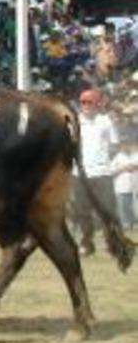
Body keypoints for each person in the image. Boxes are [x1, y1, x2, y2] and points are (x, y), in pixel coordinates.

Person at [70, 89, 119, 256]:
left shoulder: (105, 122)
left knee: (107, 210)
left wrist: (103, 161)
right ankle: (86, 243)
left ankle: (111, 243)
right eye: (82, 102)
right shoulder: (75, 122)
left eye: (89, 102)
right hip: (80, 173)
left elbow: (114, 146)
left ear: (98, 103)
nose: (85, 106)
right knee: (81, 211)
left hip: (102, 172)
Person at [111, 140, 138, 231]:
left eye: (128, 145)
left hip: (133, 186)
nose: (126, 147)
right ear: (120, 147)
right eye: (124, 145)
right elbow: (112, 172)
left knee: (133, 206)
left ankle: (134, 223)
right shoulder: (117, 158)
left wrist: (133, 167)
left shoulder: (133, 156)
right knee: (123, 207)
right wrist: (123, 169)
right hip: (121, 187)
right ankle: (125, 224)